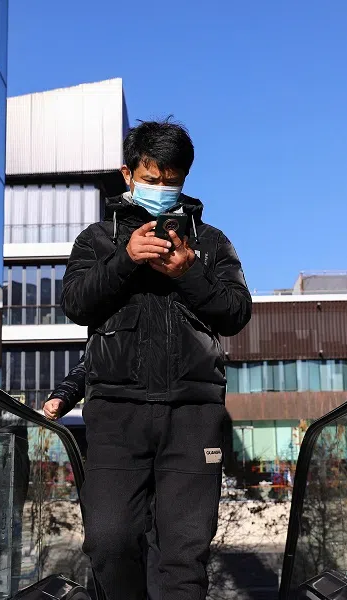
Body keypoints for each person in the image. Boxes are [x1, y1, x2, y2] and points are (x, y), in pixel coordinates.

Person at [60, 119, 252, 599]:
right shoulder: (96, 239)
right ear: (128, 174)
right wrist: (125, 259)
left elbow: (236, 312)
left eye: (173, 181)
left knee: (184, 557)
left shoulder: (210, 242)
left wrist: (190, 273)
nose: (162, 189)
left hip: (193, 413)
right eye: (152, 178)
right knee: (108, 539)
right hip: (115, 412)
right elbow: (76, 304)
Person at [43, 358, 162, 600]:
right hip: (118, 437)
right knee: (109, 539)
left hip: (170, 432)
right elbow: (91, 360)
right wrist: (63, 395)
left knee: (164, 546)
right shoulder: (111, 329)